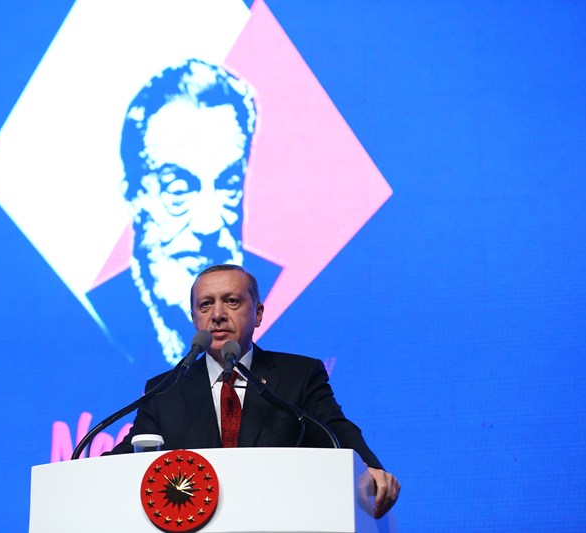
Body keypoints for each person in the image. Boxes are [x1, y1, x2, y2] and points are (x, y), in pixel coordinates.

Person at [110, 264, 401, 519]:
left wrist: (369, 467)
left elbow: (335, 429)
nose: (217, 315)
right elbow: (131, 452)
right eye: (206, 305)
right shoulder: (166, 388)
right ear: (195, 319)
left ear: (258, 313)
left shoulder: (299, 376)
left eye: (232, 301)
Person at [88, 58, 279, 370]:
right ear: (134, 195)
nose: (208, 223)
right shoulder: (97, 319)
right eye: (178, 190)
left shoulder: (282, 291)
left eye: (228, 185)